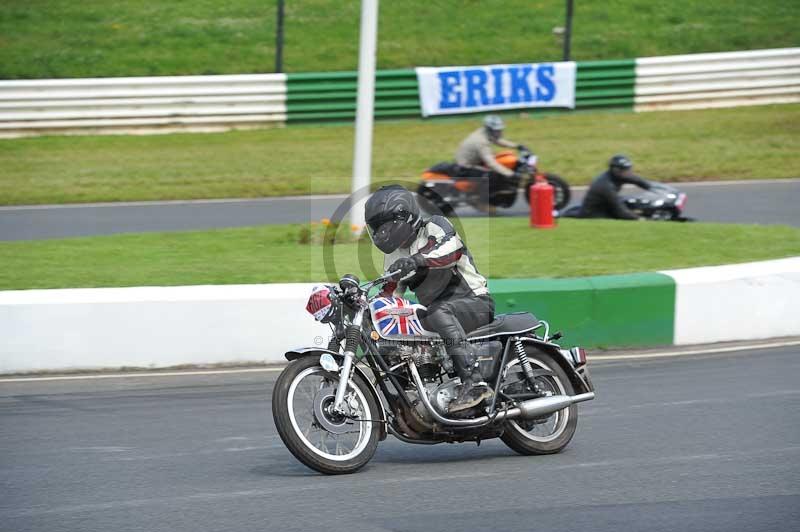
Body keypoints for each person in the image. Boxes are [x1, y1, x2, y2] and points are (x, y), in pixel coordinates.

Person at [364, 185, 496, 413]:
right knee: (392, 326)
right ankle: (410, 394)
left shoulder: (434, 225)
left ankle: (474, 381)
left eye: (385, 225)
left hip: (475, 303)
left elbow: (450, 252)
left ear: (403, 216)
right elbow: (389, 292)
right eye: (377, 228)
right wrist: (365, 307)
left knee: (437, 311)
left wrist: (417, 260)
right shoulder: (394, 254)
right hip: (438, 312)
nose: (381, 232)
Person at [580, 154, 652, 220]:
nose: (627, 172)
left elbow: (641, 182)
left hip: (607, 207)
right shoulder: (606, 185)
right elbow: (620, 210)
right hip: (594, 214)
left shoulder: (620, 175)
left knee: (630, 202)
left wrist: (655, 188)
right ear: (615, 169)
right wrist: (640, 219)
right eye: (624, 169)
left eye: (628, 169)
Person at [455, 114, 526, 180]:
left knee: (501, 163)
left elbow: (496, 140)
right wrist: (511, 174)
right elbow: (491, 163)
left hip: (476, 160)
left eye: (500, 130)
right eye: (497, 130)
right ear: (489, 130)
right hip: (467, 167)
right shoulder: (481, 142)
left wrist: (518, 146)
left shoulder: (485, 132)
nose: (500, 132)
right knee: (495, 176)